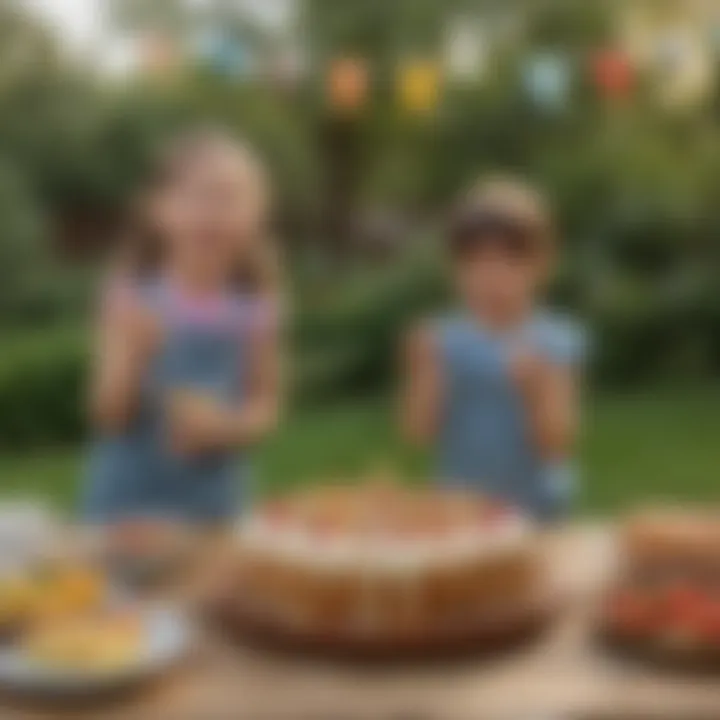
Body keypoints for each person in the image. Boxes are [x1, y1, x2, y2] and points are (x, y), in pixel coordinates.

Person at [85, 128, 282, 524]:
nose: (214, 212)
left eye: (232, 198)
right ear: (159, 209)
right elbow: (106, 414)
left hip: (215, 506)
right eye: (200, 196)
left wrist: (228, 428)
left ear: (257, 215)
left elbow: (265, 403)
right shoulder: (131, 298)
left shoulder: (253, 308)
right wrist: (133, 359)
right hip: (128, 507)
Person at [400, 176, 585, 520]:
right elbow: (418, 433)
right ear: (454, 269)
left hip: (537, 507)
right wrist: (425, 371)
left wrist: (533, 392)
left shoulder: (554, 340)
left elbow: (557, 443)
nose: (492, 277)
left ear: (542, 266)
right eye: (477, 262)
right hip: (461, 507)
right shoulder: (444, 340)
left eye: (509, 262)